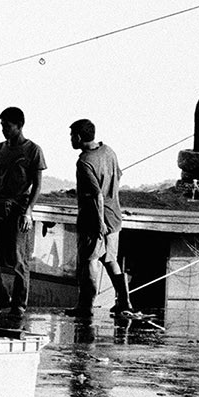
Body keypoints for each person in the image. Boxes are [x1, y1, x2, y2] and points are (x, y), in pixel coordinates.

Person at [0, 106, 45, 316]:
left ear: (19, 126)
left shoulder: (33, 150)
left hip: (19, 209)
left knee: (18, 258)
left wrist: (28, 211)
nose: (4, 129)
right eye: (2, 125)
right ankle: (2, 297)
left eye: (7, 126)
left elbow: (37, 185)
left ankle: (19, 305)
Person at [67, 119, 133, 318]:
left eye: (71, 136)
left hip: (94, 220)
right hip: (114, 217)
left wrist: (99, 223)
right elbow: (117, 178)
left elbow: (96, 195)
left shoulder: (84, 161)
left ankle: (85, 306)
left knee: (90, 261)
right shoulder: (109, 151)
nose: (70, 140)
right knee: (111, 260)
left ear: (78, 137)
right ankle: (124, 302)